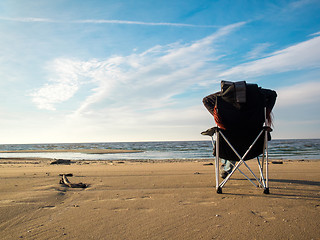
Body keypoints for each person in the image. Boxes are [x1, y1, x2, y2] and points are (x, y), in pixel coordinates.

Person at [203, 81, 277, 179]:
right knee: (231, 139)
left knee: (228, 139)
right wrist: (252, 91)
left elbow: (206, 100)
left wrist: (227, 93)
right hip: (254, 146)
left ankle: (226, 168)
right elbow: (273, 94)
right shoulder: (258, 116)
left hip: (230, 144)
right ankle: (226, 167)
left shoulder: (226, 118)